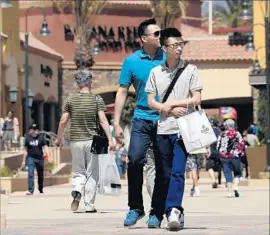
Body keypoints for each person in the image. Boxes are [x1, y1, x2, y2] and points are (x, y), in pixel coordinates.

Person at [146, 28, 202, 230]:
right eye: (174, 45)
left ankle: (173, 210)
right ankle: (174, 211)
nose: (179, 48)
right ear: (164, 48)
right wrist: (166, 109)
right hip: (163, 129)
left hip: (183, 129)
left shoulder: (191, 70)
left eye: (181, 44)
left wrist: (175, 104)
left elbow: (196, 99)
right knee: (166, 174)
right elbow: (151, 101)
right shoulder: (155, 72)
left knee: (178, 171)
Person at [113, 18, 166, 227]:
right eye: (156, 34)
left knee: (162, 167)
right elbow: (123, 90)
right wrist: (116, 123)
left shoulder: (168, 58)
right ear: (144, 38)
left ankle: (157, 213)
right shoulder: (131, 61)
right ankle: (136, 207)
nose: (160, 37)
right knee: (134, 160)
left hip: (165, 120)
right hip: (142, 119)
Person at [55, 69, 115, 213]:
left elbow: (63, 120)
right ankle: (89, 205)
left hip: (75, 141)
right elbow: (102, 119)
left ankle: (77, 190)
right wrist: (110, 138)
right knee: (92, 173)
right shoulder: (97, 99)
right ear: (90, 82)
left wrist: (59, 138)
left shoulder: (70, 99)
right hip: (92, 141)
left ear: (77, 83)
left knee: (78, 171)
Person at [216, 119, 245, 198]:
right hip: (235, 156)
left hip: (224, 156)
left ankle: (229, 192)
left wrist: (221, 152)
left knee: (227, 173)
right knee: (237, 172)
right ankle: (235, 186)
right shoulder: (237, 133)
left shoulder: (221, 134)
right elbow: (241, 143)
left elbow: (218, 146)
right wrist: (239, 152)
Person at [20, 124, 49, 195]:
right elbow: (25, 150)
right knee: (30, 173)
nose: (34, 131)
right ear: (30, 130)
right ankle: (30, 190)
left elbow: (45, 147)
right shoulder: (28, 139)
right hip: (31, 158)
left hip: (40, 158)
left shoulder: (41, 138)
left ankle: (40, 188)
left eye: (36, 129)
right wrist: (23, 161)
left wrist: (47, 154)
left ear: (38, 131)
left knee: (40, 174)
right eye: (33, 129)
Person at [206, 118, 223, 188]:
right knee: (218, 168)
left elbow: (207, 142)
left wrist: (207, 149)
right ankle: (218, 181)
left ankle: (213, 180)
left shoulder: (209, 132)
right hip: (219, 152)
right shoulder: (220, 132)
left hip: (211, 151)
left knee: (209, 167)